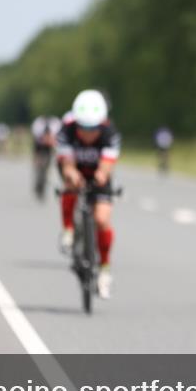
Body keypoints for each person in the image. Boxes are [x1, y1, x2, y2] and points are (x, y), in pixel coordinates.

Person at [56, 90, 120, 299]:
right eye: (83, 127)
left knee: (102, 219)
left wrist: (102, 174)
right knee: (69, 187)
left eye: (93, 128)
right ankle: (68, 230)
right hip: (76, 171)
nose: (87, 133)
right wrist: (71, 174)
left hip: (98, 173)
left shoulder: (109, 132)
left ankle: (104, 267)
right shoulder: (66, 131)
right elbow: (67, 164)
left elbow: (107, 164)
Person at [31, 115, 62, 199]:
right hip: (39, 148)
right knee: (39, 165)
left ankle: (44, 181)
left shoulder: (55, 127)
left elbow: (57, 144)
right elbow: (35, 145)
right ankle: (38, 183)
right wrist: (36, 157)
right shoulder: (38, 128)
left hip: (49, 148)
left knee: (48, 165)